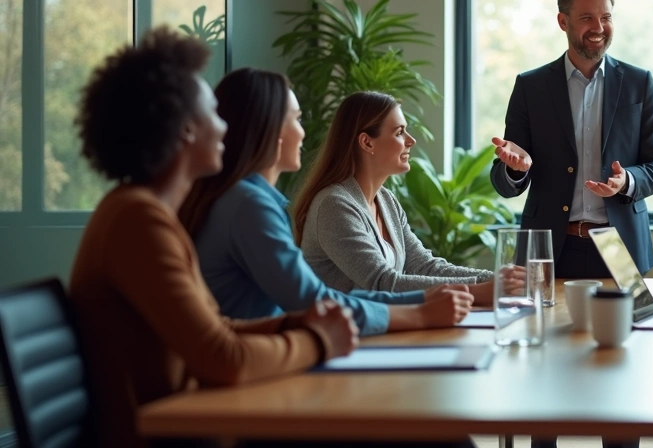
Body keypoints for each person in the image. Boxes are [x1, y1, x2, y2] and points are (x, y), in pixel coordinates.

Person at [69, 29, 357, 448]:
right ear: (187, 129)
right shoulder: (137, 221)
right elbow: (224, 359)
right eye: (214, 113)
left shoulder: (145, 213)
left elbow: (216, 329)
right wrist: (318, 340)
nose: (225, 127)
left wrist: (293, 323)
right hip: (168, 438)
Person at [180, 68, 474, 335]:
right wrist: (421, 309)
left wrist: (440, 296)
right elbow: (313, 302)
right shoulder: (249, 206)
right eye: (297, 119)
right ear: (271, 130)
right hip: (255, 359)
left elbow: (419, 266)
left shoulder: (251, 201)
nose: (303, 131)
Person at [489, 0, 653, 278]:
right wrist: (515, 170)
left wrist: (627, 180)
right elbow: (503, 179)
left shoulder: (639, 83)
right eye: (587, 18)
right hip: (549, 247)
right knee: (544, 313)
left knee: (626, 313)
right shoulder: (530, 87)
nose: (598, 27)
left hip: (621, 245)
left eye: (606, 17)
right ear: (563, 21)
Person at [296, 91, 496, 303]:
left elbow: (424, 266)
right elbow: (382, 283)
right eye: (399, 132)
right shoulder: (334, 205)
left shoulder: (386, 200)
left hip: (383, 321)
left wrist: (496, 279)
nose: (411, 140)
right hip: (344, 324)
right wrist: (479, 290)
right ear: (367, 143)